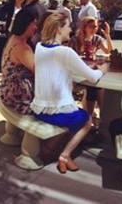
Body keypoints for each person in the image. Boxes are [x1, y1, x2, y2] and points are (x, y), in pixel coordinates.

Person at [31, 12, 104, 174]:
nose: (70, 29)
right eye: (67, 26)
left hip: (38, 109)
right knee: (87, 120)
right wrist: (102, 70)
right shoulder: (65, 52)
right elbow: (93, 78)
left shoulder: (39, 48)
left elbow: (56, 69)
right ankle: (65, 155)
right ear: (58, 29)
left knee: (75, 113)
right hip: (55, 112)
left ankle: (57, 150)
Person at [72, 15, 112, 125]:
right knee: (95, 86)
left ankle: (96, 118)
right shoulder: (75, 40)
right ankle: (89, 120)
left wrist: (107, 35)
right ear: (84, 27)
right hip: (78, 71)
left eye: (96, 27)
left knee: (99, 87)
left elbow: (108, 50)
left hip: (90, 70)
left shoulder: (97, 39)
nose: (94, 29)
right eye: (91, 27)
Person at [0, 9, 37, 115]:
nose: (36, 27)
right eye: (34, 23)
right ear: (25, 23)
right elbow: (39, 72)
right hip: (19, 99)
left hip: (7, 93)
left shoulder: (13, 38)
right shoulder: (22, 47)